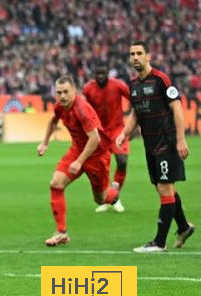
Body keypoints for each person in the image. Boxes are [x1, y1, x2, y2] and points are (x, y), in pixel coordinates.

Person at [117, 41, 195, 253]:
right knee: (165, 188)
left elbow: (177, 108)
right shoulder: (133, 85)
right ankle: (184, 227)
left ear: (148, 56)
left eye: (139, 53)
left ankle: (159, 243)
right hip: (150, 145)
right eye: (132, 53)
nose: (135, 57)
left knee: (165, 189)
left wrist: (180, 139)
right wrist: (124, 134)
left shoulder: (162, 80)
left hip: (167, 143)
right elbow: (135, 114)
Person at [38, 75, 120, 246]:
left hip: (96, 156)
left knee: (100, 199)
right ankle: (62, 233)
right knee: (56, 184)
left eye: (66, 92)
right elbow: (54, 121)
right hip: (77, 150)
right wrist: (45, 142)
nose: (62, 96)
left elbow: (95, 138)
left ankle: (114, 191)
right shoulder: (60, 106)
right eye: (59, 92)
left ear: (74, 91)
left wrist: (79, 162)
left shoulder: (82, 109)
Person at [83, 60, 131, 213]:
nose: (101, 76)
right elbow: (85, 111)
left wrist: (135, 124)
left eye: (103, 73)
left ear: (108, 73)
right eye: (98, 73)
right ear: (94, 74)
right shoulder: (88, 89)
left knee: (122, 161)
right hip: (100, 132)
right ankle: (106, 198)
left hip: (117, 129)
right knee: (101, 168)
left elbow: (134, 100)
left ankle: (115, 195)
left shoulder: (118, 85)